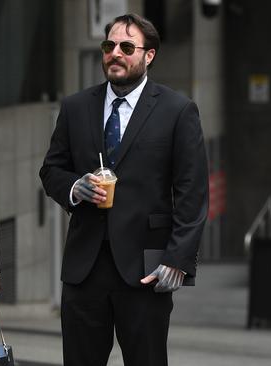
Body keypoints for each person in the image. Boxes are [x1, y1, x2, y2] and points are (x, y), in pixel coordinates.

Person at [39, 14, 209, 366]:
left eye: (126, 47)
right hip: (84, 268)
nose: (115, 53)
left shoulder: (177, 111)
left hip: (146, 269)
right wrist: (75, 186)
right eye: (109, 46)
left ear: (149, 56)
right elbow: (51, 170)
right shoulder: (75, 107)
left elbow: (192, 193)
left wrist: (178, 260)